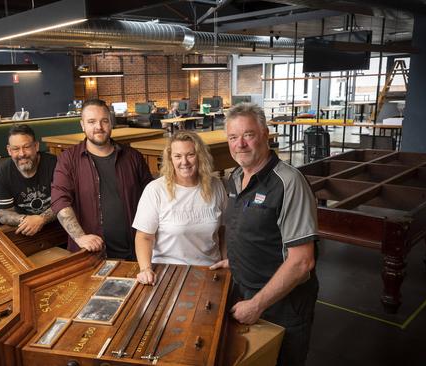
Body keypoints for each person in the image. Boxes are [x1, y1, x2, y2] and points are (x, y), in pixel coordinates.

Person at [211, 103, 318, 366]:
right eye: (233, 137)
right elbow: (249, 231)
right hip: (244, 291)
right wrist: (235, 260)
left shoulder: (289, 182)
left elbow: (302, 262)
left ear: (265, 134)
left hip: (282, 303)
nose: (240, 144)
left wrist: (257, 304)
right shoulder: (236, 177)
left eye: (248, 135)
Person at [51, 99, 153, 260]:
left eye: (104, 121)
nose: (98, 127)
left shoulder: (133, 157)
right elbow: (60, 201)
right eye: (91, 122)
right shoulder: (68, 159)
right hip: (89, 256)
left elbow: (152, 198)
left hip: (135, 253)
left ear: (111, 123)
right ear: (82, 125)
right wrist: (80, 237)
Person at [133, 131, 226, 285]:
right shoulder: (155, 190)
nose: (184, 162)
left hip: (210, 270)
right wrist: (145, 269)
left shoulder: (216, 186)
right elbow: (144, 237)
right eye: (177, 156)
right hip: (168, 271)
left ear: (200, 156)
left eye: (190, 155)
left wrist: (225, 262)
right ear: (170, 159)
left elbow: (223, 231)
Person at [0, 124, 57, 236]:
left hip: (58, 228)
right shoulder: (2, 173)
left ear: (36, 146)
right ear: (9, 150)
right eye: (16, 149)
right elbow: (3, 213)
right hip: (25, 231)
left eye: (26, 147)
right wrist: (27, 219)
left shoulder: (55, 165)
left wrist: (41, 219)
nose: (22, 154)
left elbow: (67, 201)